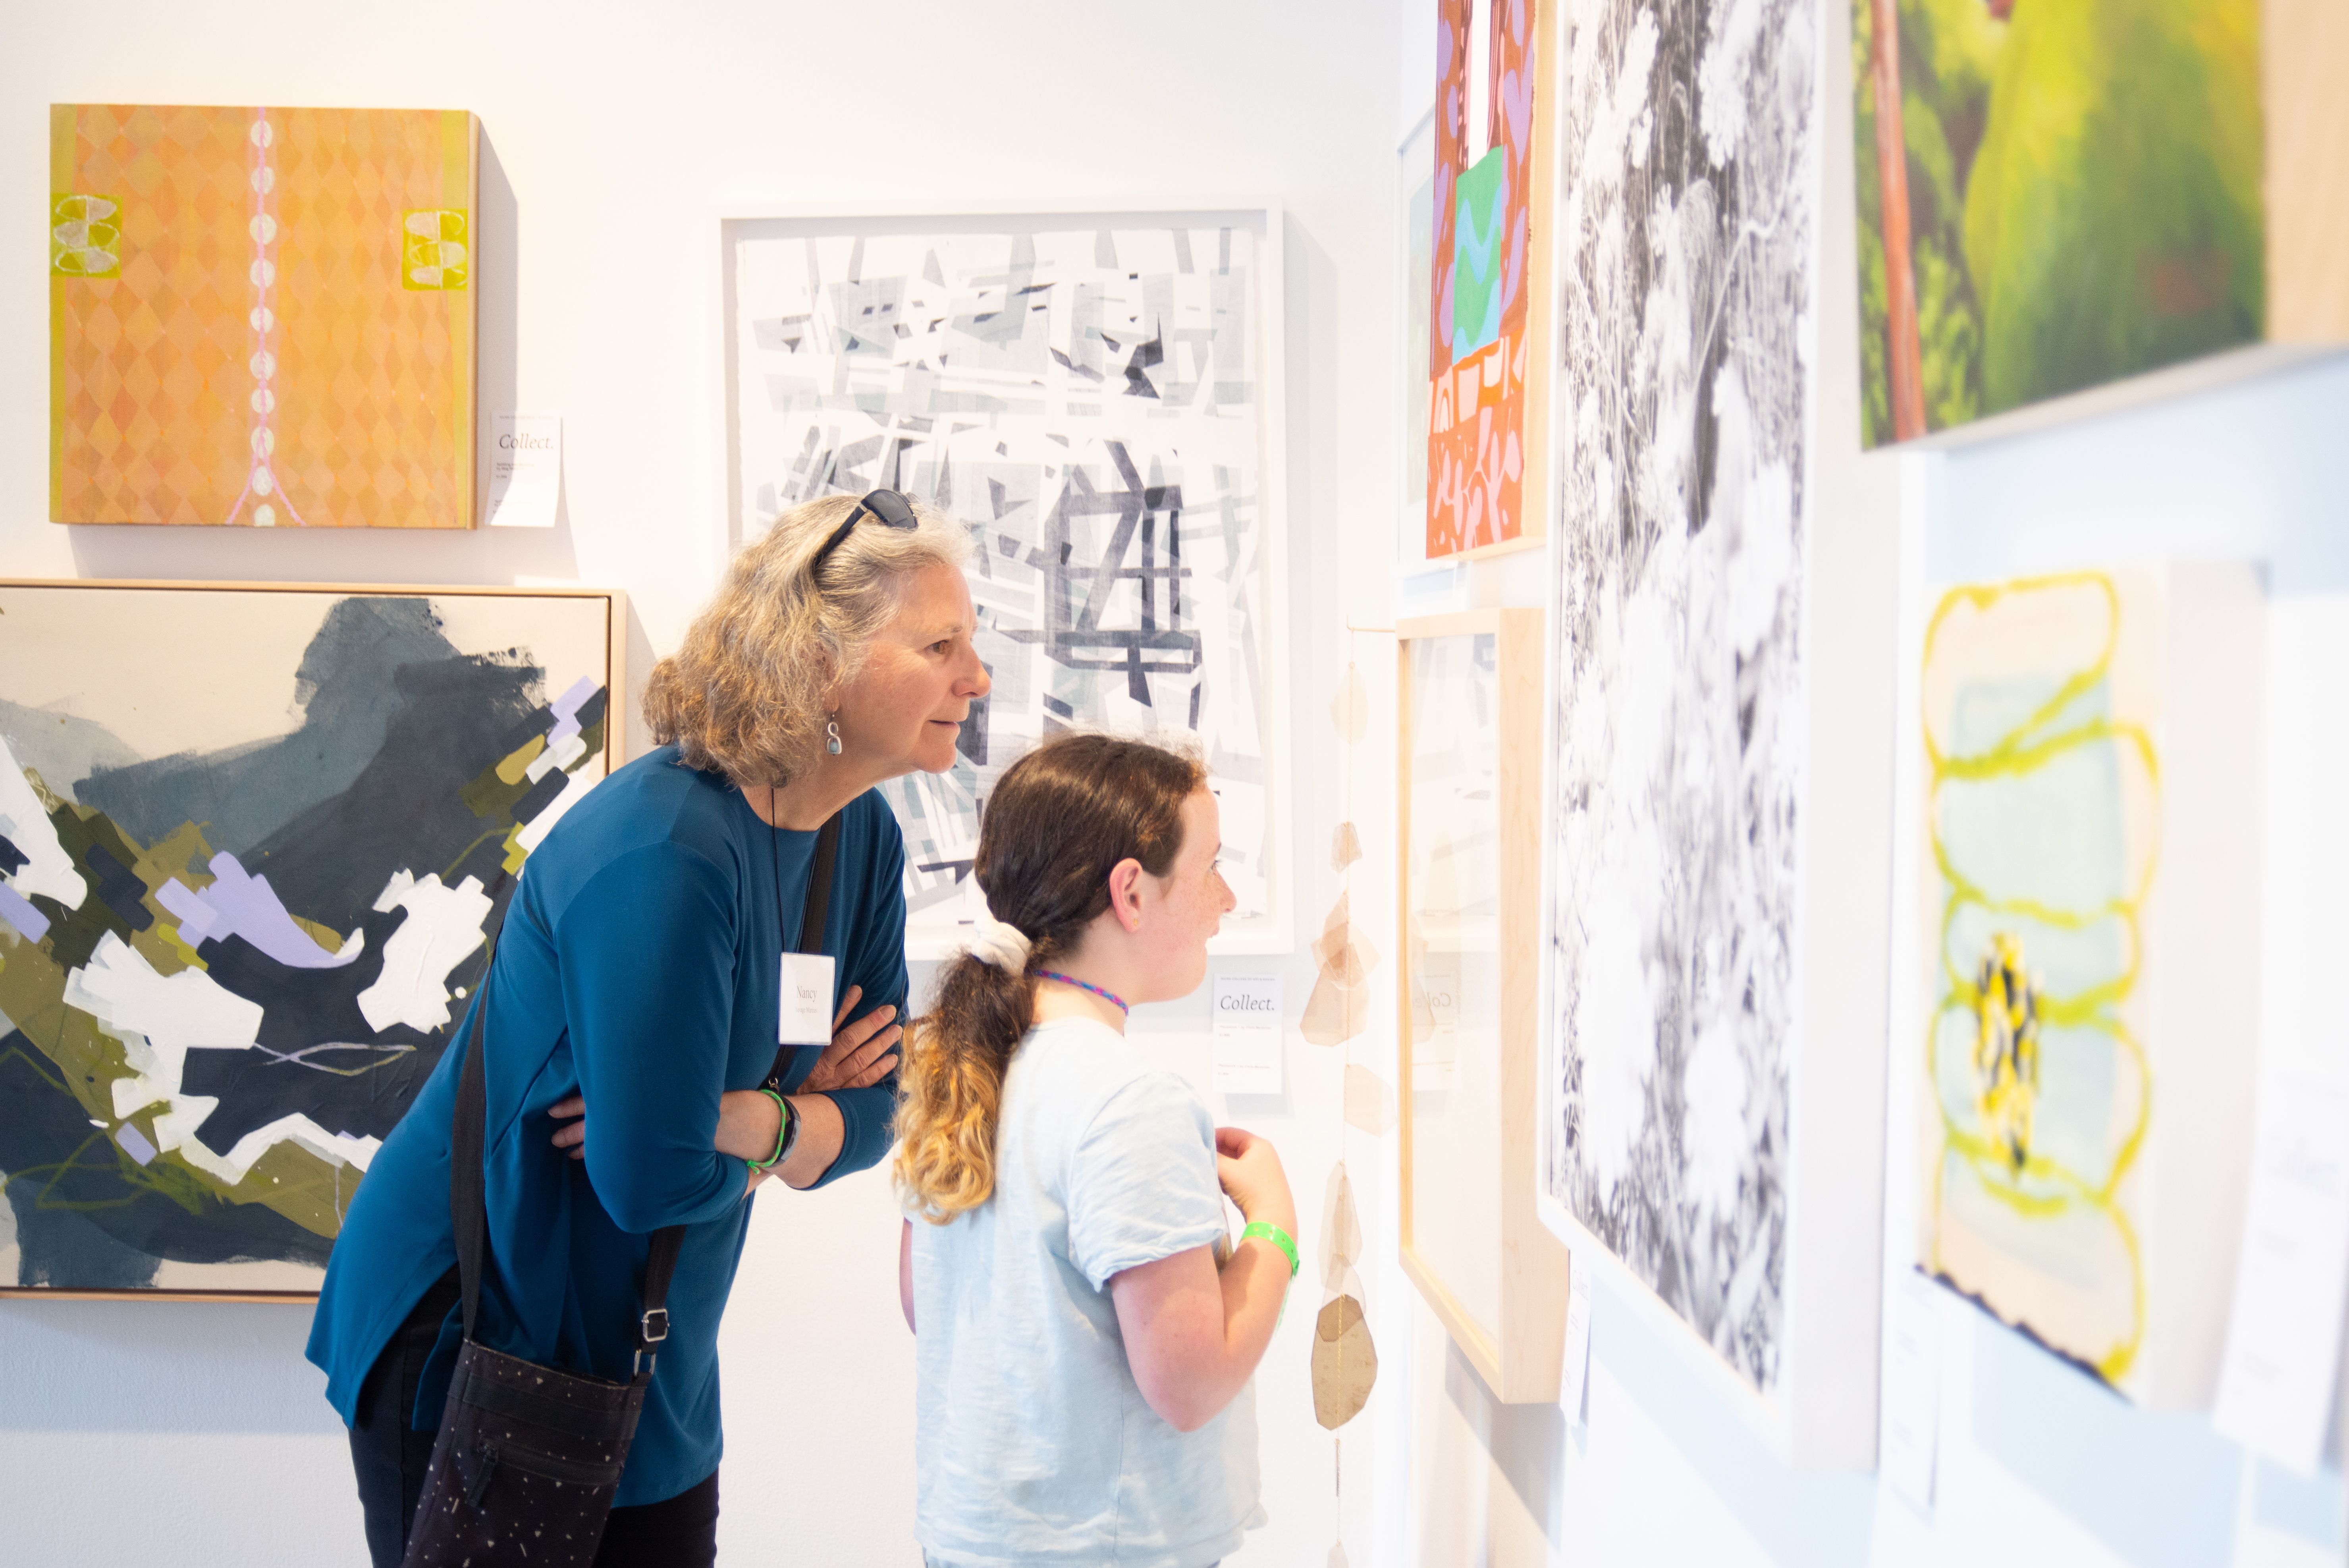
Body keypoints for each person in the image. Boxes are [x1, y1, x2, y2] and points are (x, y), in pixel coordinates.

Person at [305, 488, 987, 1568]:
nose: (975, 676)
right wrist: (783, 1123)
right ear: (819, 659)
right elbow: (645, 1176)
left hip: (651, 1347)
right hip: (482, 1330)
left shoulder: (859, 840)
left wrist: (743, 1117)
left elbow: (880, 1102)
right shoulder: (666, 852)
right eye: (940, 643)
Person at [893, 732, 1297, 1568]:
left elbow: (922, 1302)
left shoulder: (971, 1064)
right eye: (1211, 865)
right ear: (1132, 893)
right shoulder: (1128, 1100)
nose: (1225, 898)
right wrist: (1275, 1230)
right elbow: (1189, 1384)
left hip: (972, 1537)